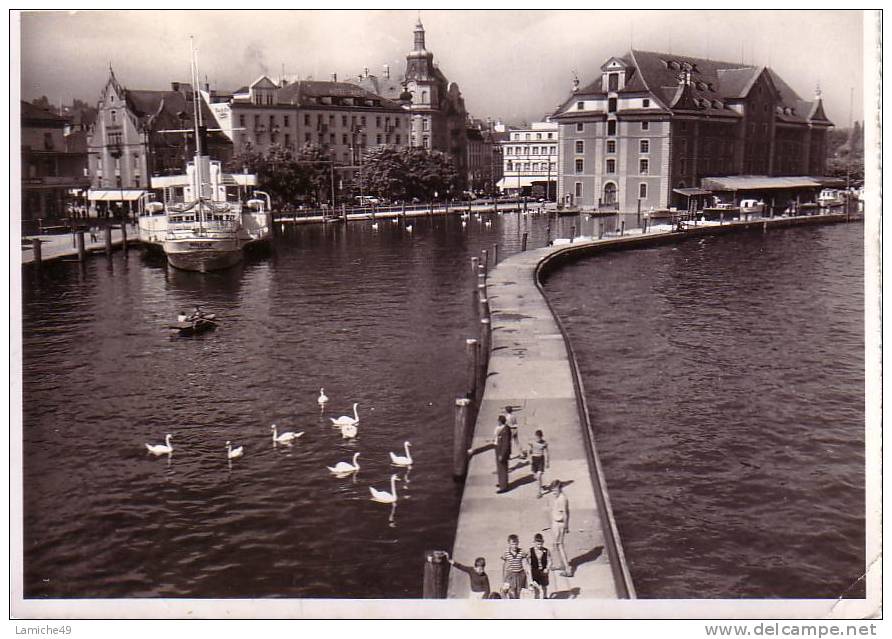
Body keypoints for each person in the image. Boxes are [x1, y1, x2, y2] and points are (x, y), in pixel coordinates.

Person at [550, 480, 572, 577]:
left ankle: (568, 569)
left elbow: (565, 513)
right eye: (552, 489)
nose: (553, 491)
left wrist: (566, 526)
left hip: (559, 524)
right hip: (556, 523)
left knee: (559, 545)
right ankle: (562, 565)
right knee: (556, 545)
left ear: (560, 488)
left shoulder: (562, 499)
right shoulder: (558, 497)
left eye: (555, 489)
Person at [501, 534, 532, 599]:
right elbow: (504, 566)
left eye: (516, 544)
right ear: (509, 544)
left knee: (519, 592)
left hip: (520, 575)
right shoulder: (506, 553)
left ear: (518, 543)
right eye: (512, 544)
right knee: (511, 592)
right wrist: (504, 580)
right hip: (511, 575)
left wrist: (529, 578)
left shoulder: (521, 552)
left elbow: (527, 564)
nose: (514, 546)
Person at [528, 429, 550, 498]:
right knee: (536, 476)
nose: (537, 439)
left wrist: (547, 462)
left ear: (541, 437)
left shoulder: (544, 443)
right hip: (534, 459)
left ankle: (539, 492)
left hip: (541, 460)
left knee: (539, 475)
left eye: (539, 437)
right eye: (536, 437)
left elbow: (547, 452)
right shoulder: (532, 442)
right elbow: (529, 451)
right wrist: (529, 459)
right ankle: (540, 486)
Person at [494, 415, 511, 493]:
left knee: (503, 468)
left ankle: (503, 487)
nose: (497, 422)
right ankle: (501, 482)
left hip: (502, 451)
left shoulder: (505, 430)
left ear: (500, 421)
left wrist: (502, 454)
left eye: (498, 421)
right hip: (498, 449)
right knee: (500, 468)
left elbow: (506, 444)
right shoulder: (501, 428)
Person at [529, 533, 550, 598]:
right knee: (536, 586)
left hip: (543, 571)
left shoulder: (546, 550)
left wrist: (547, 568)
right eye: (538, 544)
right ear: (534, 543)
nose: (539, 546)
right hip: (535, 571)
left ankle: (545, 596)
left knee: (544, 586)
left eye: (541, 544)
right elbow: (526, 559)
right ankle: (536, 597)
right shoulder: (530, 551)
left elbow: (550, 560)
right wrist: (528, 568)